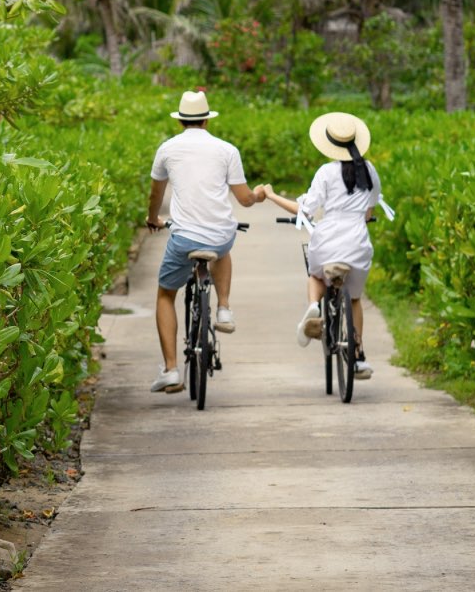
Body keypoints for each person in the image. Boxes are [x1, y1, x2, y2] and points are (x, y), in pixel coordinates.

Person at [143, 89, 268, 393]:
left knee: (165, 295)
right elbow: (244, 198)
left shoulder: (167, 149)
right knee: (224, 243)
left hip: (184, 237)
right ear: (207, 121)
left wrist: (153, 220)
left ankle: (171, 369)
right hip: (219, 234)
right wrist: (258, 196)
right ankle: (224, 307)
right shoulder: (227, 150)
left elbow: (156, 195)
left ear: (181, 121)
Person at [257, 111, 380, 380]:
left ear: (330, 144)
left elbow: (305, 210)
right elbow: (369, 211)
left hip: (328, 240)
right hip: (358, 243)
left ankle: (314, 305)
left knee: (315, 274)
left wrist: (271, 195)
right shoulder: (369, 171)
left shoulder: (326, 172)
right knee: (355, 298)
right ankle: (358, 355)